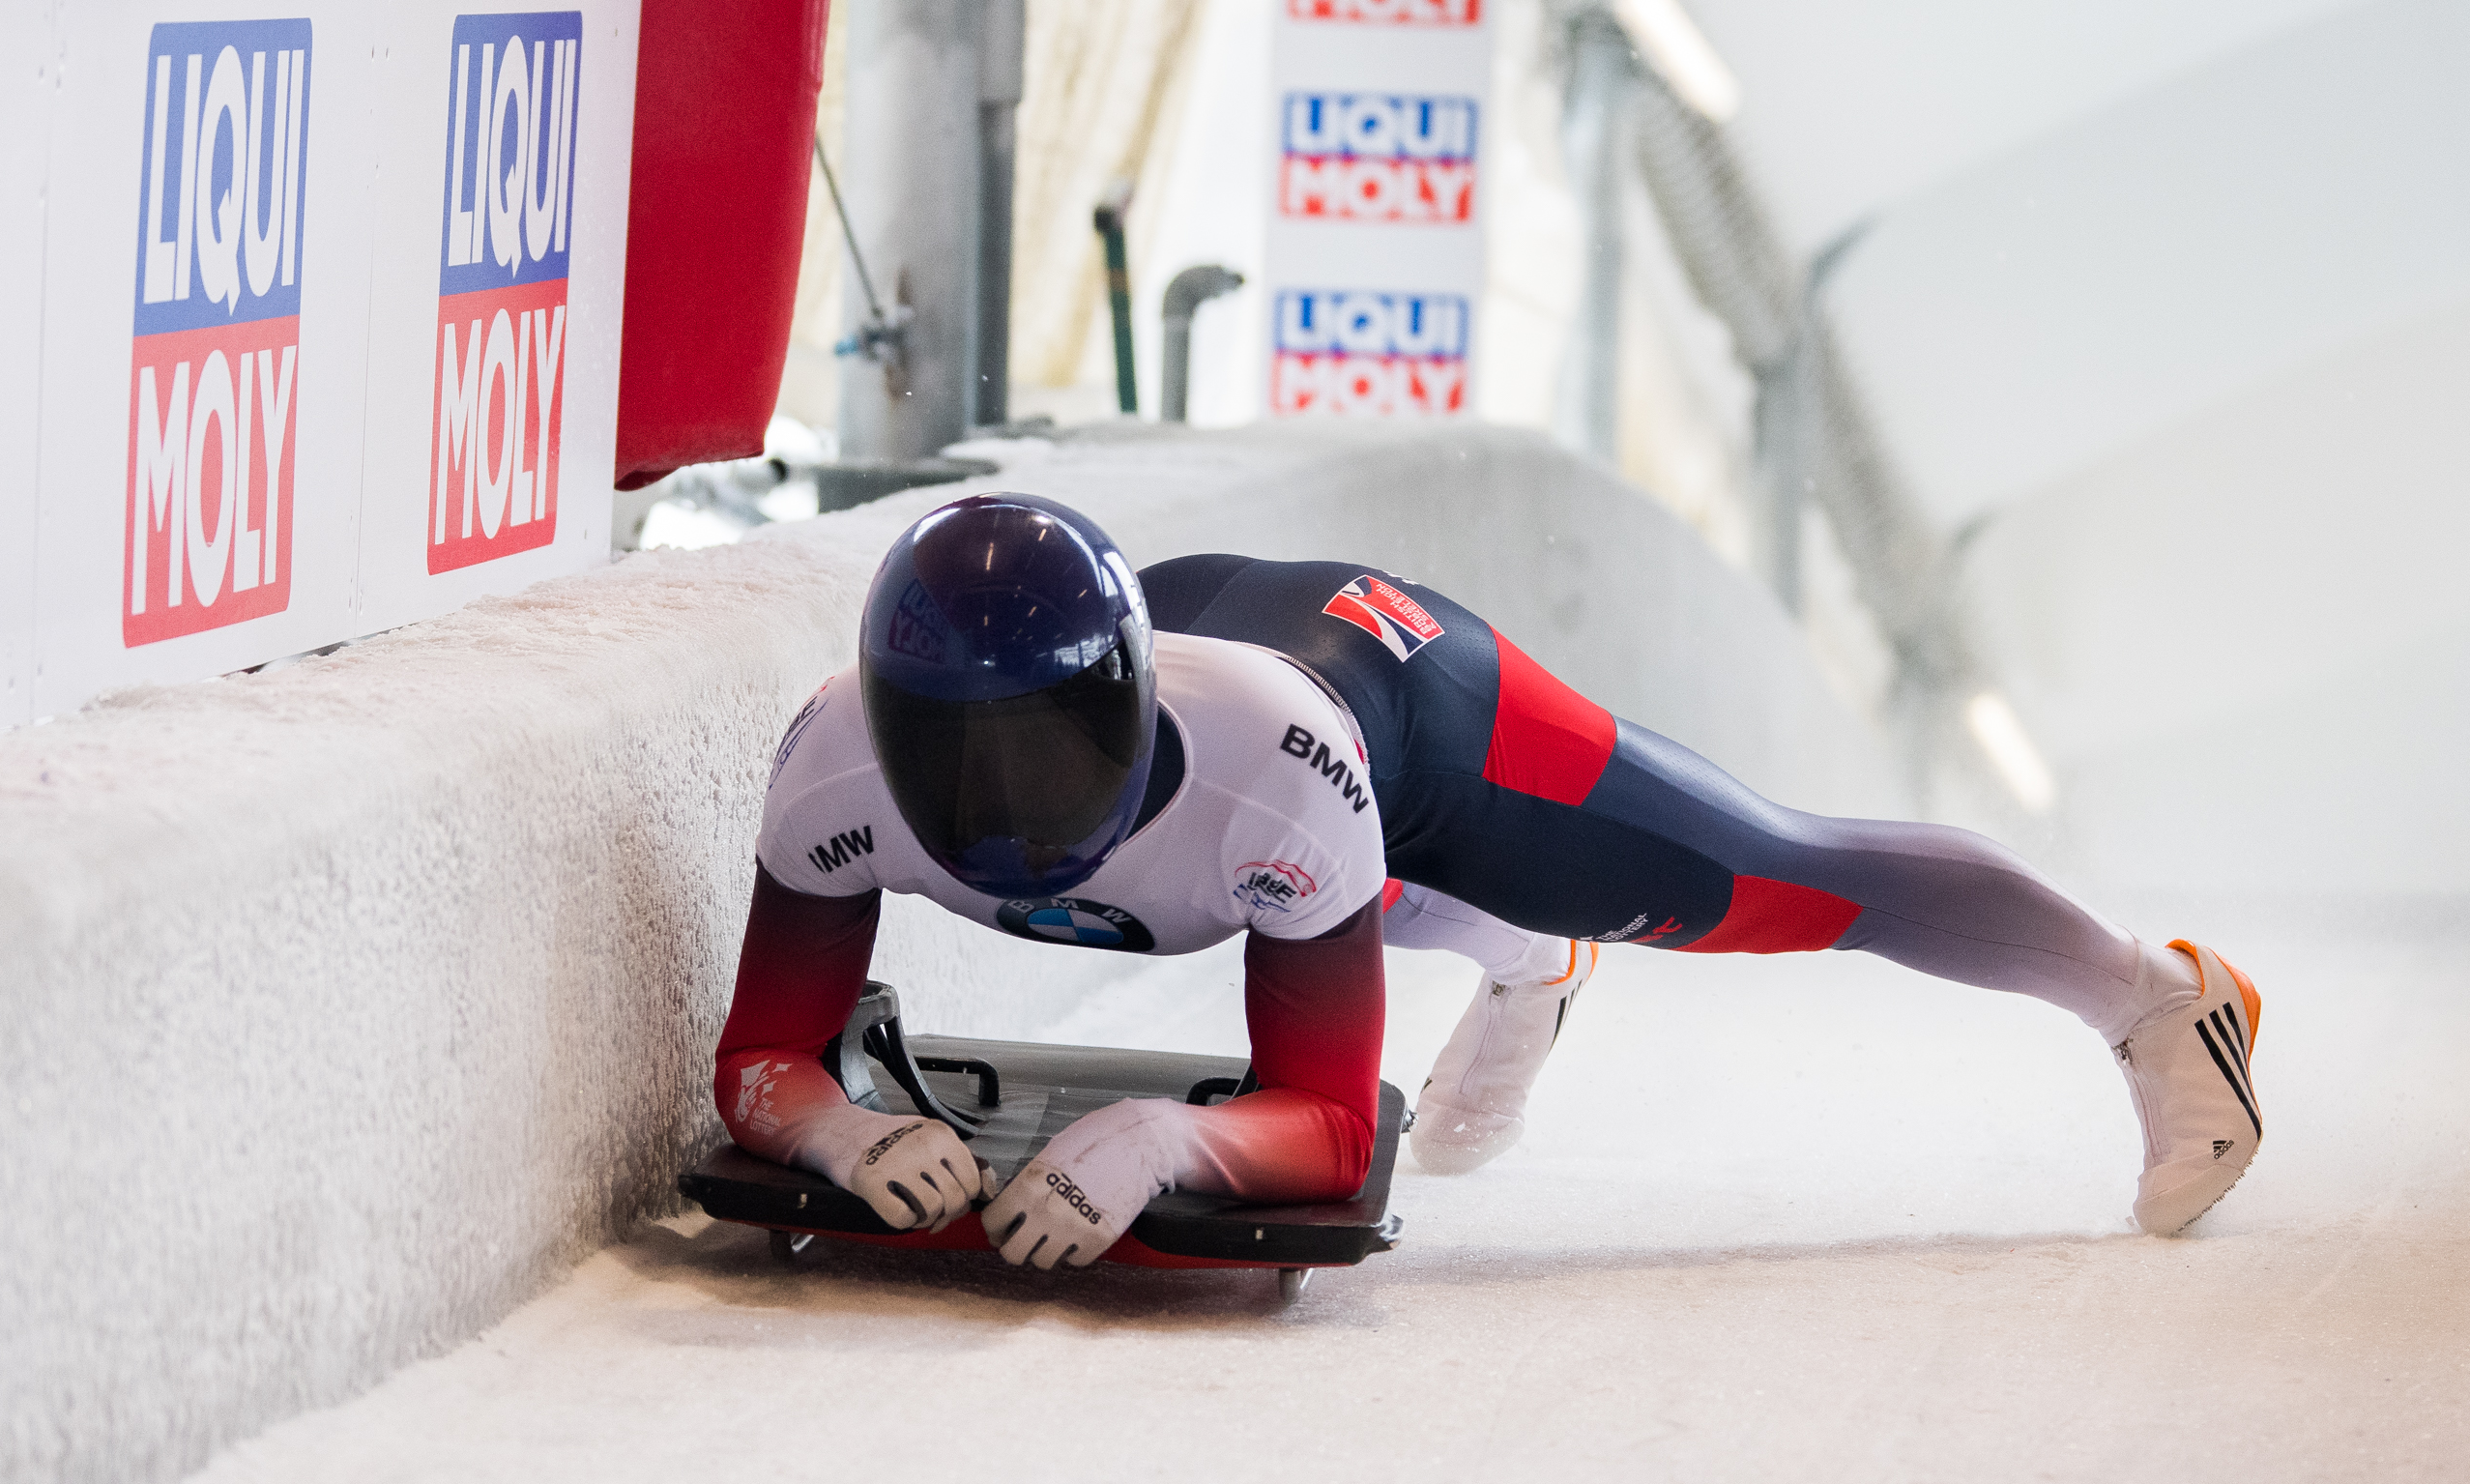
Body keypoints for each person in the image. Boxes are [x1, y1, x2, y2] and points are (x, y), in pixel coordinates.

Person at [712, 493, 2265, 1269]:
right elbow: (762, 1058)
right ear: (883, 726)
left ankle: (2157, 997)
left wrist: (1162, 1139)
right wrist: (840, 1130)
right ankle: (1526, 955)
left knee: (1773, 875)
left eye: (1046, 754)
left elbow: (1332, 1125)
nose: (1004, 808)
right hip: (1242, 696)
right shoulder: (830, 766)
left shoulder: (1272, 787)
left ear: (1122, 704)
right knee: (1308, 886)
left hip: (1406, 704)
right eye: (956, 759)